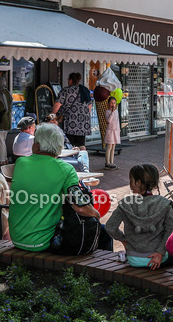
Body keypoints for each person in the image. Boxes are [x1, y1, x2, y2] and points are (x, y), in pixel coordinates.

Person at [9, 123, 113, 254]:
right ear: (58, 147)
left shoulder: (21, 163)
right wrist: (97, 215)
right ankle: (103, 269)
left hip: (17, 238)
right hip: (44, 242)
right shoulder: (66, 169)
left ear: (37, 145)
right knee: (103, 232)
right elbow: (80, 206)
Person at [105, 164, 173, 269]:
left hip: (133, 259)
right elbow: (171, 230)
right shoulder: (164, 203)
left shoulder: (126, 203)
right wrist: (160, 253)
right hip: (159, 259)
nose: (129, 183)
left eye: (131, 180)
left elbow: (110, 227)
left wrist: (123, 240)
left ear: (138, 183)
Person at [53, 72, 92, 149]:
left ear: (70, 80)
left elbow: (58, 104)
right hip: (83, 121)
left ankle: (70, 159)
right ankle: (84, 159)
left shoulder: (66, 90)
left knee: (69, 142)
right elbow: (89, 105)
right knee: (81, 143)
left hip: (71, 121)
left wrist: (52, 114)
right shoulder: (84, 90)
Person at [103, 96, 121, 170]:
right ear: (108, 104)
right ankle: (107, 163)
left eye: (114, 103)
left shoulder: (116, 111)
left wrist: (118, 130)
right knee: (109, 147)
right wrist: (112, 112)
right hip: (110, 131)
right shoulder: (107, 112)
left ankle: (111, 162)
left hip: (115, 131)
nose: (113, 104)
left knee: (113, 147)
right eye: (111, 103)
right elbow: (108, 121)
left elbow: (117, 122)